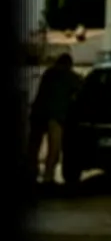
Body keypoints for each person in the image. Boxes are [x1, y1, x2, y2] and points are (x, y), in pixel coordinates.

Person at [29, 53, 84, 187]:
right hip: (55, 116)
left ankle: (30, 174)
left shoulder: (48, 73)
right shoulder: (70, 76)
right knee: (54, 149)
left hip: (38, 113)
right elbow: (81, 88)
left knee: (33, 147)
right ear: (69, 64)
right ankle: (48, 177)